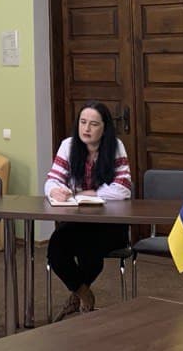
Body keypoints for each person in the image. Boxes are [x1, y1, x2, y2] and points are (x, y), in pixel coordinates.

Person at [44, 101, 133, 321]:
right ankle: (83, 293)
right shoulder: (68, 145)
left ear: (104, 127)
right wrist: (55, 191)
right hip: (78, 220)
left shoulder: (115, 146)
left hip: (110, 223)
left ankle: (77, 297)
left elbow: (123, 188)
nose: (86, 128)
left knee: (90, 252)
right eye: (83, 122)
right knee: (55, 248)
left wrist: (92, 193)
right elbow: (52, 180)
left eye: (93, 124)